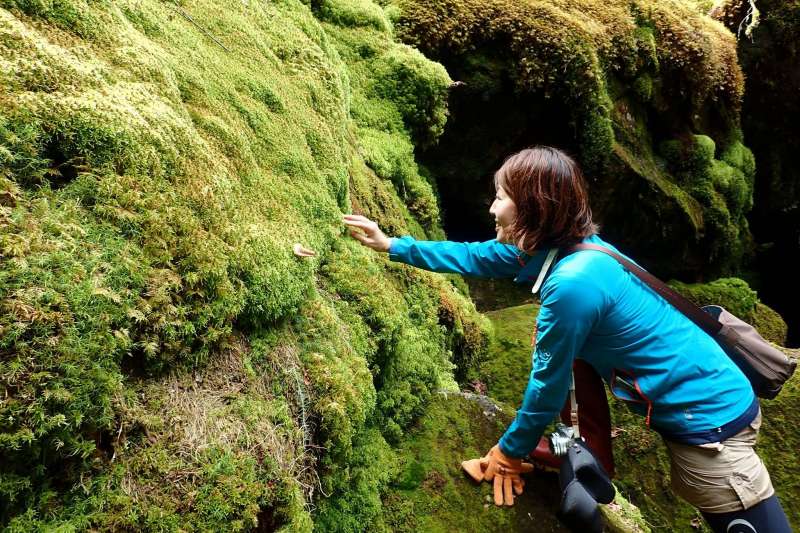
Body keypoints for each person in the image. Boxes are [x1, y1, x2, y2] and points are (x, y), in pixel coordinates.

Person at [342, 146, 791, 533]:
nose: (492, 209)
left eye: (501, 198)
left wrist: (507, 452)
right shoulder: (568, 249)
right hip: (708, 405)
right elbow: (479, 256)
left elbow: (546, 383)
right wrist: (393, 245)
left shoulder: (573, 282)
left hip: (712, 429)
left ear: (533, 208)